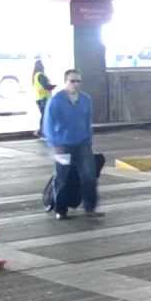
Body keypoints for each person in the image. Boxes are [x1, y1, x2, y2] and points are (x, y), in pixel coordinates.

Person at [41, 69, 101, 220]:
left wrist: (89, 139)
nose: (75, 84)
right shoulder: (56, 100)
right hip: (63, 145)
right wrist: (54, 143)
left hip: (83, 144)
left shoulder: (86, 99)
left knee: (89, 176)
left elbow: (88, 121)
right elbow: (48, 124)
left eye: (78, 81)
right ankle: (60, 210)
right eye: (72, 81)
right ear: (65, 82)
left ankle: (90, 208)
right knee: (62, 177)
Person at [31, 58, 54, 139]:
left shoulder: (35, 76)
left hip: (39, 98)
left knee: (44, 115)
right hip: (44, 98)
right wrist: (53, 86)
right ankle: (42, 132)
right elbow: (46, 86)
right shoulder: (41, 75)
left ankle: (41, 131)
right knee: (45, 116)